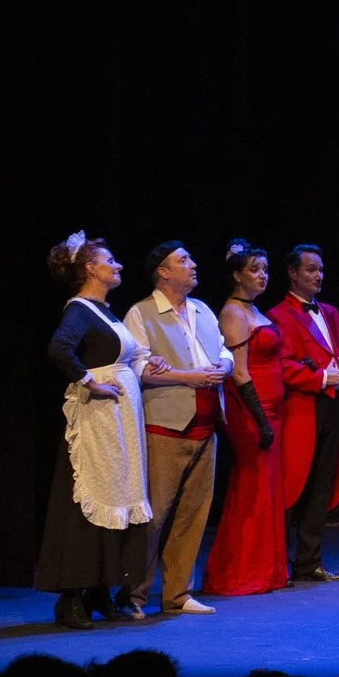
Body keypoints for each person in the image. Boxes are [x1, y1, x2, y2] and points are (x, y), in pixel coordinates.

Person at [36, 233, 153, 629]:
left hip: (118, 420)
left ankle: (101, 589)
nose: (117, 266)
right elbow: (59, 348)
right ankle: (71, 599)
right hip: (96, 419)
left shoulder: (104, 311)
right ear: (90, 268)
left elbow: (128, 356)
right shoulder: (80, 310)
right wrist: (91, 382)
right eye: (110, 260)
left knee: (117, 494)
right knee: (88, 498)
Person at [121, 241, 233, 614]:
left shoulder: (202, 310)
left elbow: (224, 350)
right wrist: (191, 378)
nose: (193, 263)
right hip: (165, 427)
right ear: (163, 272)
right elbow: (137, 369)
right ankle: (134, 595)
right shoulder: (141, 313)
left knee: (193, 515)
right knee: (153, 518)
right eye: (183, 260)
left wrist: (224, 367)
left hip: (206, 425)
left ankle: (177, 593)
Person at [202, 240, 287, 597]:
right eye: (254, 269)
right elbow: (239, 373)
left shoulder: (253, 310)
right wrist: (261, 422)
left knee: (266, 490)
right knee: (250, 489)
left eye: (265, 269)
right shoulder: (233, 313)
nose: (262, 276)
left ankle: (265, 570)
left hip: (272, 409)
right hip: (252, 411)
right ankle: (237, 572)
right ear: (237, 275)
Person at [270, 243, 339, 583]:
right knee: (294, 485)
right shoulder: (279, 315)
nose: (318, 276)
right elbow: (282, 365)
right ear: (293, 273)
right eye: (311, 270)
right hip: (303, 409)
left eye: (321, 269)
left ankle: (309, 561)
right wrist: (322, 377)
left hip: (333, 406)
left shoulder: (330, 313)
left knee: (322, 483)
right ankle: (278, 564)